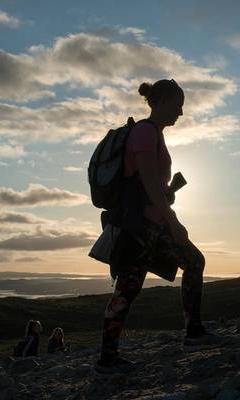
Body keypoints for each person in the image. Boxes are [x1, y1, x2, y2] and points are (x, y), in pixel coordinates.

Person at [95, 79, 224, 374]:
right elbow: (150, 185)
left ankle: (193, 333)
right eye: (178, 106)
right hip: (139, 226)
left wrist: (166, 194)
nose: (180, 112)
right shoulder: (144, 132)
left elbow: (148, 184)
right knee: (128, 288)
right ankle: (108, 359)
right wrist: (174, 221)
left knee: (190, 262)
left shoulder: (153, 134)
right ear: (163, 101)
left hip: (149, 222)